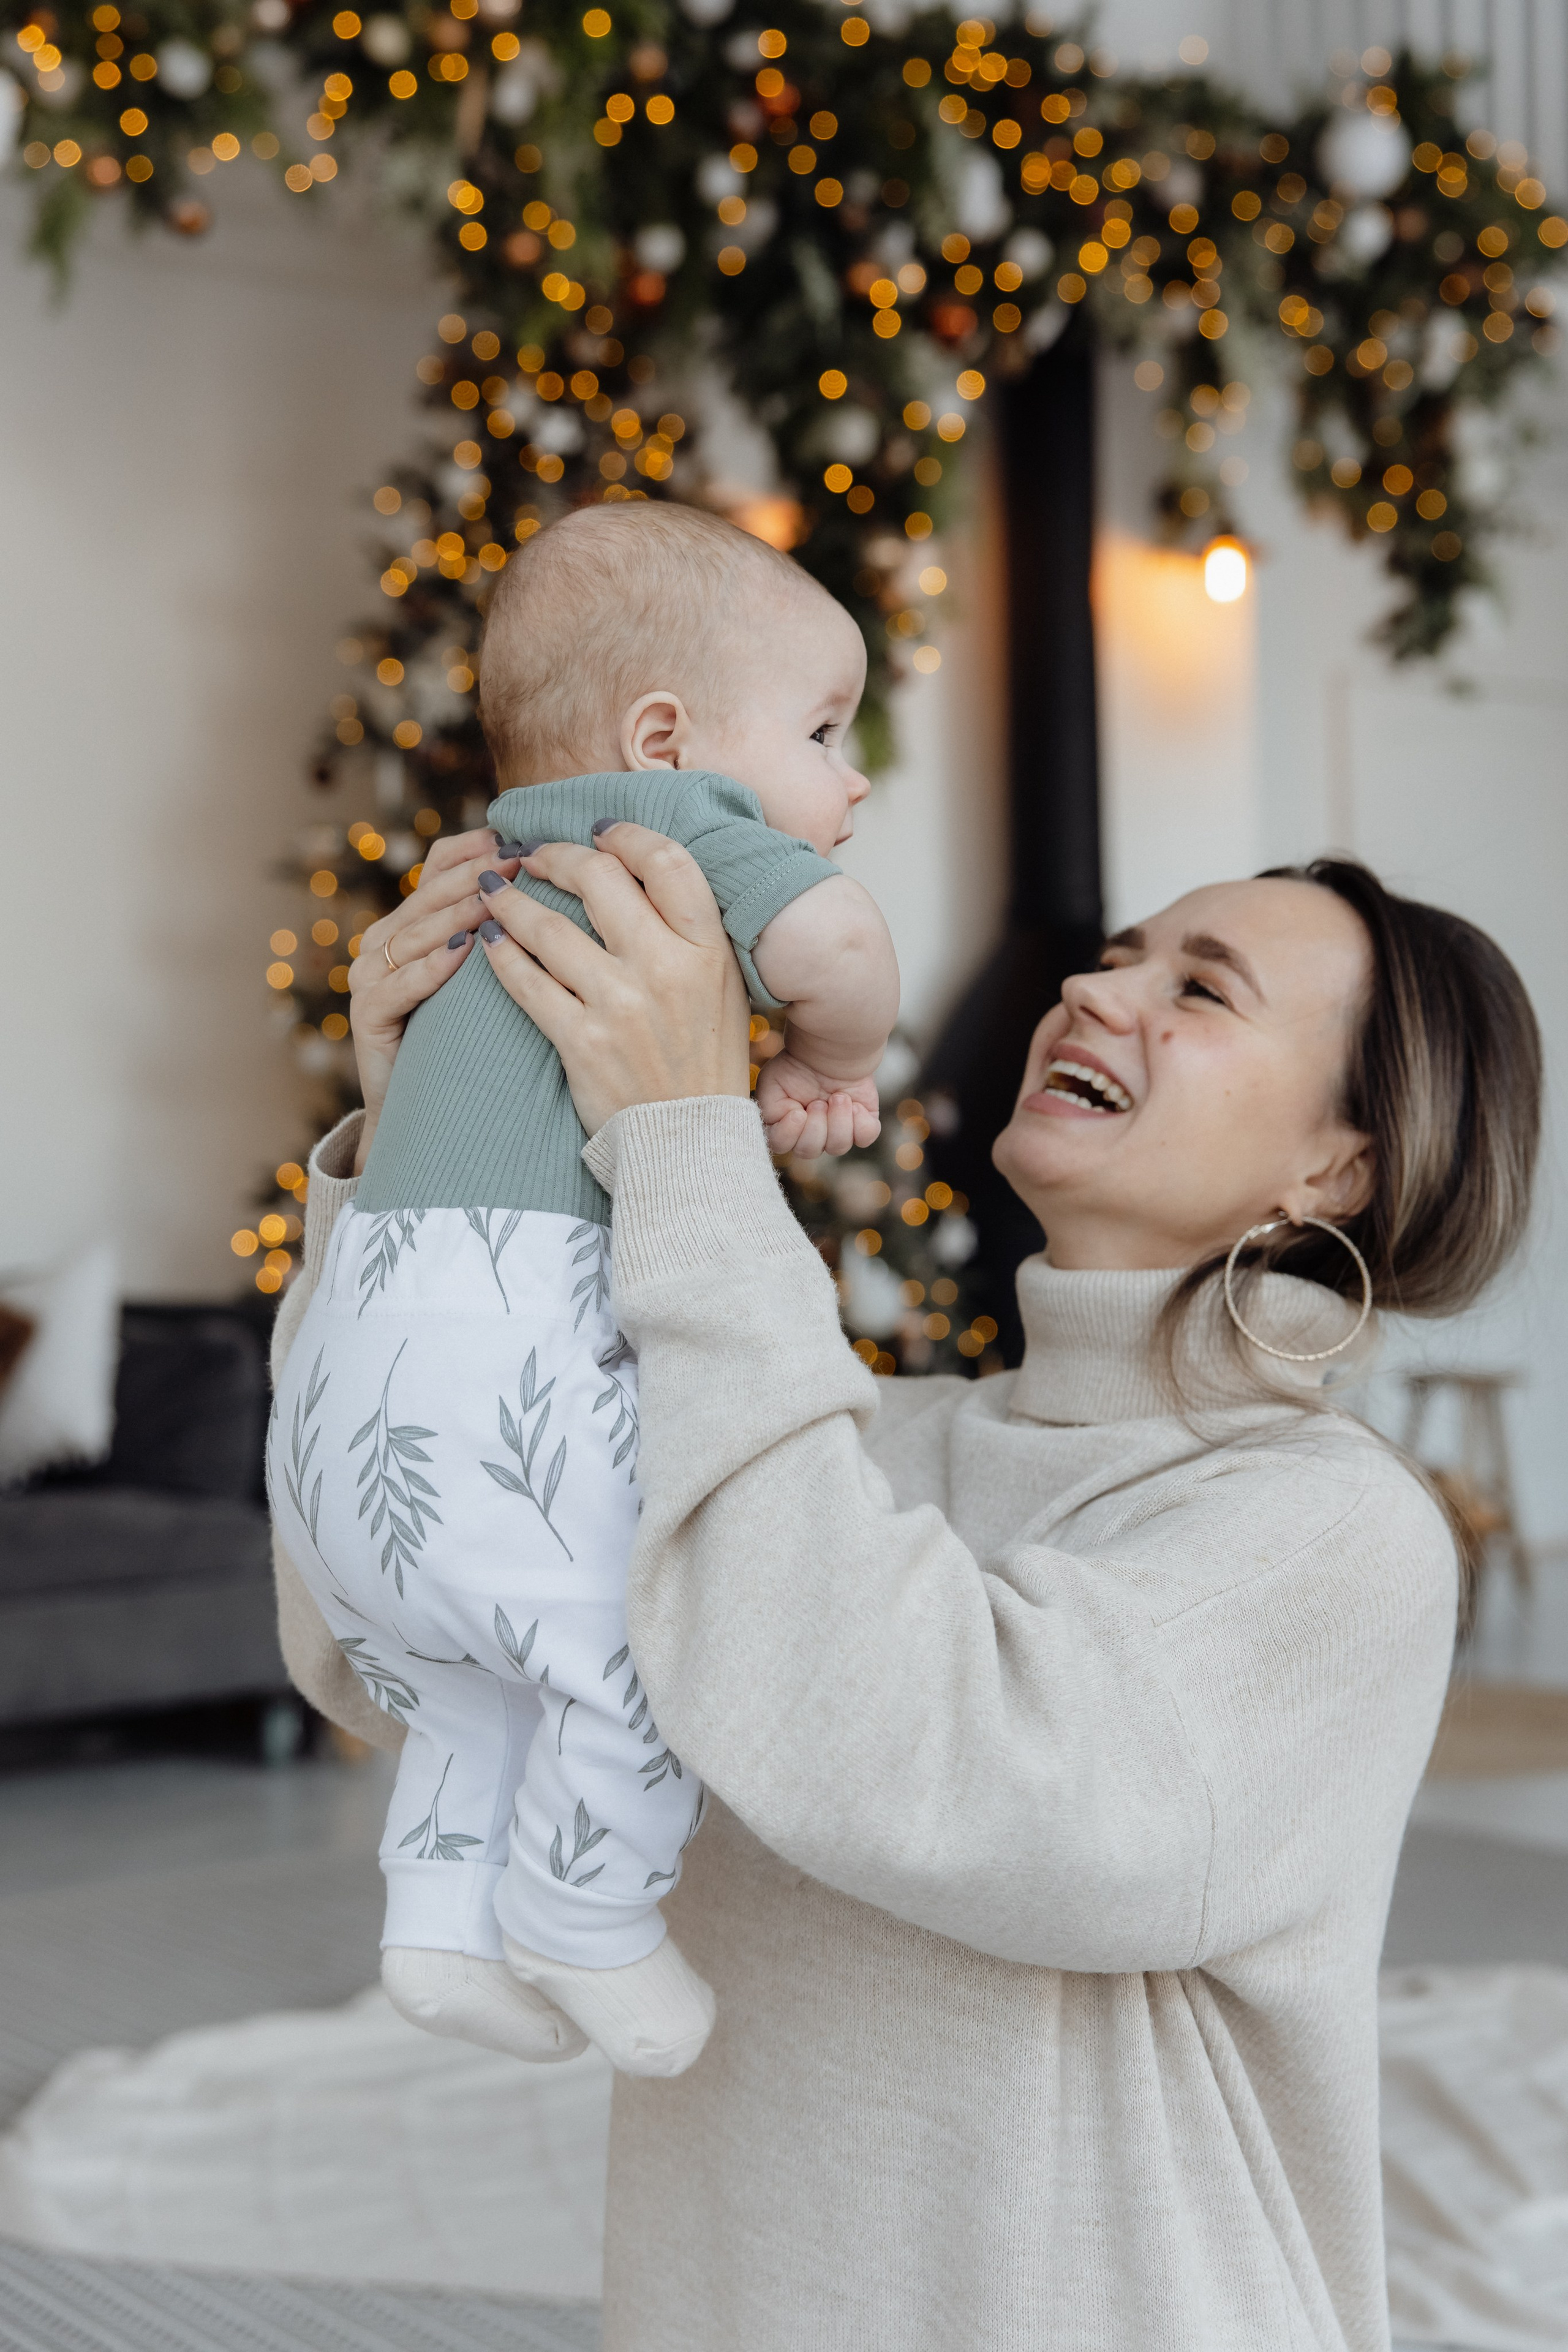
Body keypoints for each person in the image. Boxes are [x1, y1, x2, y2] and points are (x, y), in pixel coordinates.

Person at [271, 826, 1540, 2352]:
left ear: (1336, 1162)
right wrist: (424, 1170)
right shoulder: (857, 1448)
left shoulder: (1332, 1531)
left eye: (1199, 990)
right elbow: (402, 1648)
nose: (1093, 985)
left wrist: (689, 1152)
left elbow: (947, 1770)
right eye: (1120, 950)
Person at [268, 503, 899, 2081]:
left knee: (469, 1687)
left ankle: (433, 1928)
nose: (857, 774)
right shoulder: (672, 829)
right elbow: (836, 938)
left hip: (352, 1372)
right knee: (623, 1651)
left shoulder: (475, 872)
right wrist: (836, 1052)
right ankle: (585, 1915)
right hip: (506, 1361)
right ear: (668, 736)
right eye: (825, 728)